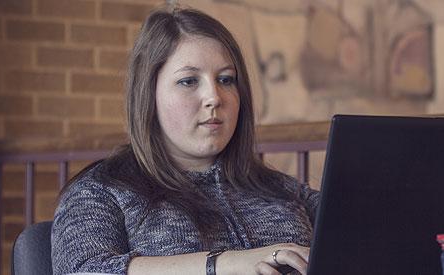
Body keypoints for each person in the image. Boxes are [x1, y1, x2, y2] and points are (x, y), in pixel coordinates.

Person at [51, 6, 320, 275]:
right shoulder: (103, 191)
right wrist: (223, 264)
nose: (214, 97)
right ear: (149, 96)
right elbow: (84, 269)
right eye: (189, 81)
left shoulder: (283, 190)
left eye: (226, 79)